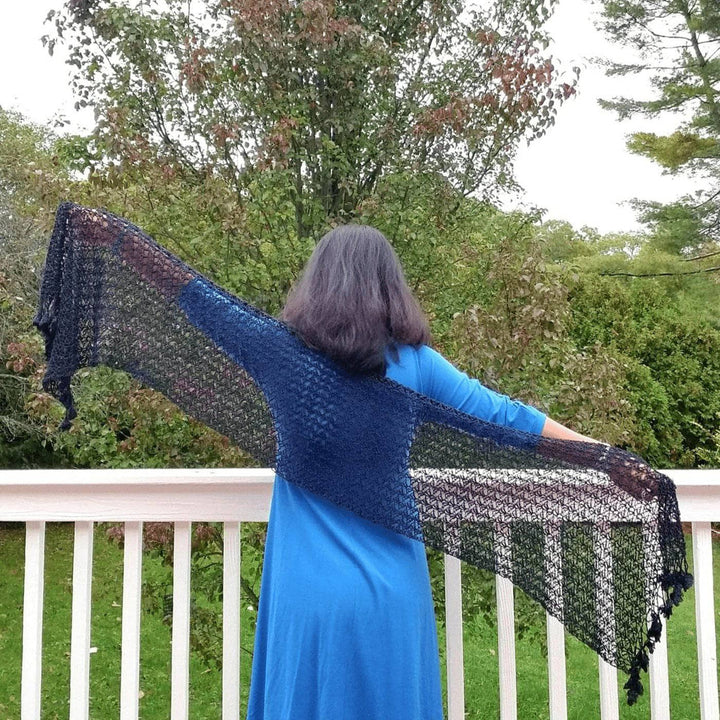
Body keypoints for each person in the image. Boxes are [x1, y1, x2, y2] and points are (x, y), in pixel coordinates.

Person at [245, 224, 601, 720]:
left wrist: (117, 244)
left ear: (318, 284)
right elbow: (505, 416)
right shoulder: (415, 365)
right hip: (390, 594)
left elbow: (196, 311)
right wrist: (600, 454)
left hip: (304, 592)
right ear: (390, 286)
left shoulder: (279, 357)